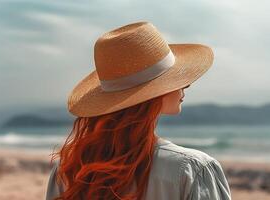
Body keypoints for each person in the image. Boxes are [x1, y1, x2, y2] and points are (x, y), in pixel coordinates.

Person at [45, 21, 232, 200]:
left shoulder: (68, 170)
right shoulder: (192, 169)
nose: (187, 85)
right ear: (153, 94)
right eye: (175, 79)